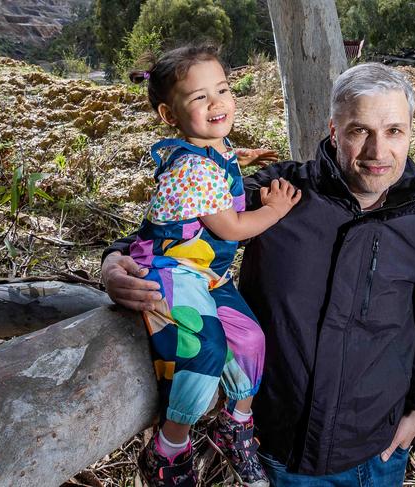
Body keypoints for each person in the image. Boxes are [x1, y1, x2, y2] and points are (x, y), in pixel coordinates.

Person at [103, 62, 415, 486]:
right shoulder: (281, 195)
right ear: (333, 129)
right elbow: (180, 220)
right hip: (280, 454)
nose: (377, 151)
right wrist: (115, 259)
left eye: (394, 131)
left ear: (411, 131)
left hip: (377, 455)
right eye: (359, 130)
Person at [124, 45, 301, 487]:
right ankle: (169, 448)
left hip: (205, 273)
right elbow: (233, 228)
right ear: (170, 115)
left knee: (252, 338)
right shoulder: (192, 169)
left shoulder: (212, 148)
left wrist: (244, 156)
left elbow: (220, 159)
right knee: (203, 350)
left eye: (222, 89)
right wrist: (276, 209)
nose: (217, 102)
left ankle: (235, 423)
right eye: (199, 97)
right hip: (170, 269)